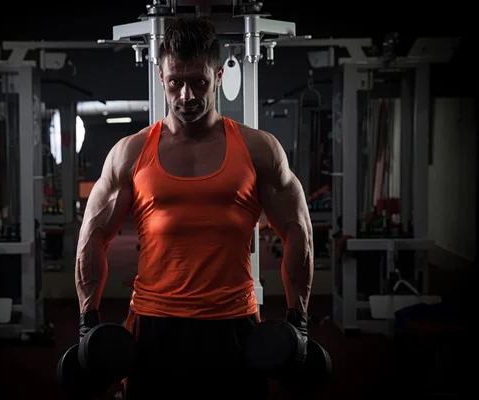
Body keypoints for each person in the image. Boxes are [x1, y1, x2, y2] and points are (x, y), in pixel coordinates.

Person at [75, 16, 314, 400]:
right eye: (175, 82)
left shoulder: (259, 150)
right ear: (161, 77)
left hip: (233, 325)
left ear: (218, 76)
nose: (186, 95)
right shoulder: (131, 152)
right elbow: (93, 233)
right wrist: (88, 321)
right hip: (154, 325)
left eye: (198, 81)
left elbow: (298, 229)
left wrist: (298, 320)